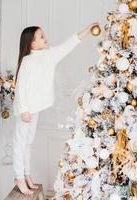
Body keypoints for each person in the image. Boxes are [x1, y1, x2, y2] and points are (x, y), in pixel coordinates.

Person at [13, 22, 99, 195]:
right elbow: (20, 86)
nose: (46, 38)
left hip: (35, 108)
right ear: (32, 43)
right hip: (26, 109)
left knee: (28, 143)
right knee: (20, 143)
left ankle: (27, 174)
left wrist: (87, 30)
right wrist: (24, 110)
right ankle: (18, 177)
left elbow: (69, 44)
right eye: (41, 36)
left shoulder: (49, 55)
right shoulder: (28, 61)